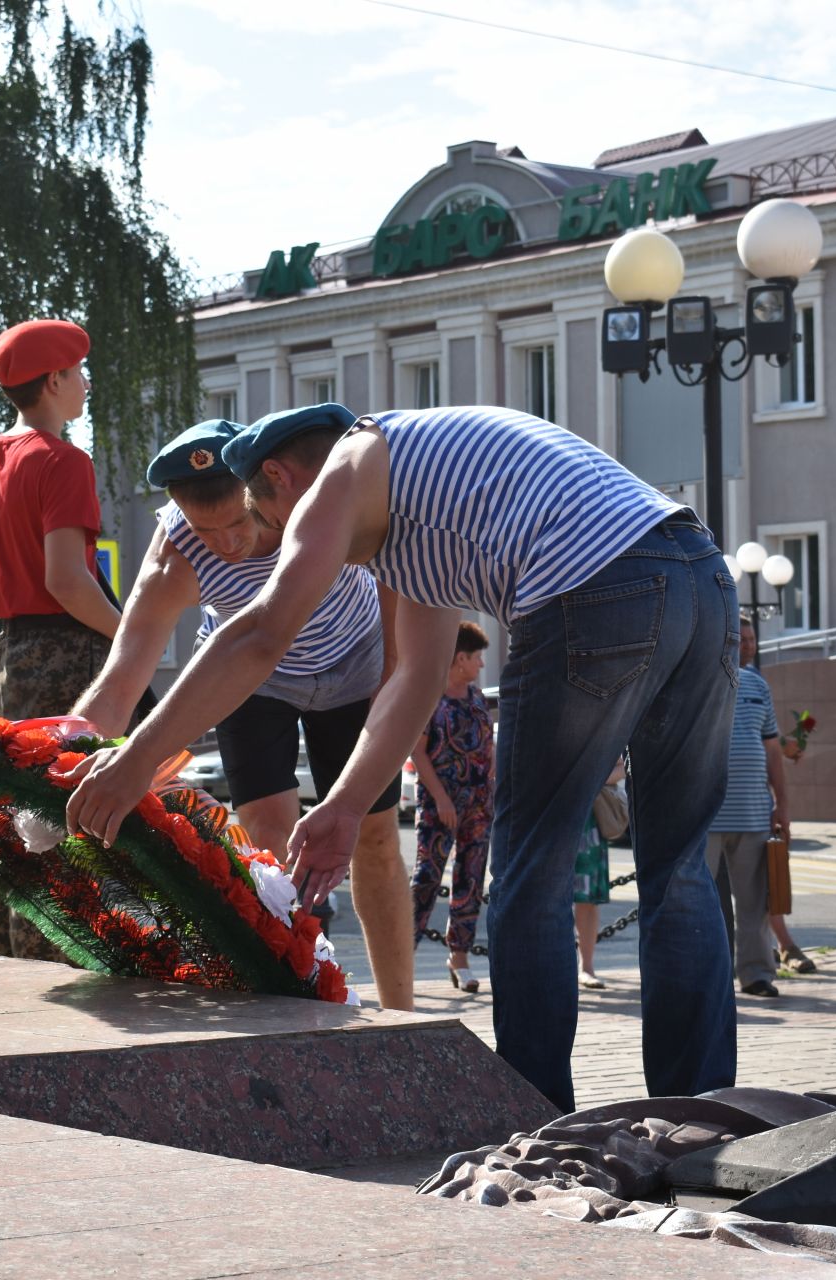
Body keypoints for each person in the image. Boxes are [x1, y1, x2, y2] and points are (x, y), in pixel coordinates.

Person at [63, 403, 737, 1112]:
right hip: (701, 575)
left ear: (280, 478)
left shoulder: (348, 467)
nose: (290, 548)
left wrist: (137, 760)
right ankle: (700, 1117)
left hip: (593, 585)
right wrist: (347, 806)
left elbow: (259, 634)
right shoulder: (416, 512)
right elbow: (416, 675)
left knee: (532, 870)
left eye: (278, 526)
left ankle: (538, 1116)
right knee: (680, 868)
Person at [70, 417, 412, 1009]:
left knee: (375, 841)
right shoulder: (175, 555)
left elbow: (393, 580)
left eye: (238, 522)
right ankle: (290, 993)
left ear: (261, 491)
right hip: (256, 676)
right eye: (208, 531)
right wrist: (63, 756)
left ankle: (403, 1012)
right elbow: (123, 677)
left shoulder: (311, 507)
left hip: (354, 663)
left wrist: (392, 683)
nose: (229, 544)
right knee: (264, 833)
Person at [0, 317, 119, 961]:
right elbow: (69, 583)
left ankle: (5, 953)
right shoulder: (63, 461)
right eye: (78, 373)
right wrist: (133, 639)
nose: (86, 384)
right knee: (66, 817)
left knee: (12, 818)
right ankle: (61, 958)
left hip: (3, 659)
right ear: (53, 381)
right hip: (66, 656)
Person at [705, 615, 791, 997]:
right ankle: (708, 978)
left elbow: (773, 749)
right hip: (705, 815)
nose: (748, 646)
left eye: (753, 639)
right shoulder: (698, 679)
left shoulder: (758, 684)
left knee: (754, 901)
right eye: (741, 639)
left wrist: (782, 805)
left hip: (754, 813)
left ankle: (757, 974)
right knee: (704, 903)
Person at [411, 622, 494, 994]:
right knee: (426, 879)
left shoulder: (476, 697)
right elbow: (416, 751)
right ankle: (402, 957)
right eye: (476, 658)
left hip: (478, 806)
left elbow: (486, 748)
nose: (480, 665)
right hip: (437, 805)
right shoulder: (429, 696)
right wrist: (442, 799)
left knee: (471, 881)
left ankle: (459, 958)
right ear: (460, 658)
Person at [573, 757, 627, 990]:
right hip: (552, 815)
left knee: (588, 900)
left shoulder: (602, 722)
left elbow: (622, 765)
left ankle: (586, 967)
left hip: (588, 822)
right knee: (547, 899)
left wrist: (591, 781)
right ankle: (554, 966)